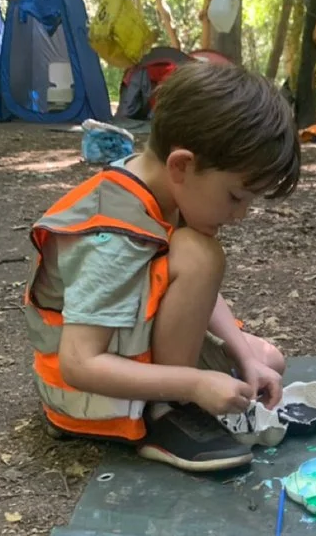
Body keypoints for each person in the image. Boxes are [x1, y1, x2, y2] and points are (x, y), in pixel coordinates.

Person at [25, 60, 301, 476]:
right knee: (202, 254)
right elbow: (78, 364)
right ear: (182, 165)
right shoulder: (113, 236)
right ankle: (166, 412)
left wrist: (244, 357)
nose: (240, 216)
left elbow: (194, 288)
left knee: (266, 361)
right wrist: (193, 384)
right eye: (235, 197)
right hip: (81, 393)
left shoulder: (163, 186)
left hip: (128, 350)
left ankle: (178, 391)